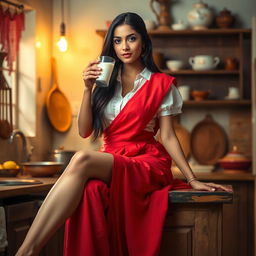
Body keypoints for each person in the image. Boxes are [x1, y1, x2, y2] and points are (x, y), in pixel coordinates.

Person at [16, 12, 232, 256]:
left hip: (147, 161)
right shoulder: (105, 81)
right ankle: (29, 250)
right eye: (117, 41)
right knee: (90, 190)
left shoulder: (161, 84)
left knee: (82, 158)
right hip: (113, 156)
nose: (124, 47)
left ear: (143, 42)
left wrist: (192, 179)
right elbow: (85, 131)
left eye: (131, 39)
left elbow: (169, 136)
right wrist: (87, 89)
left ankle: (27, 250)